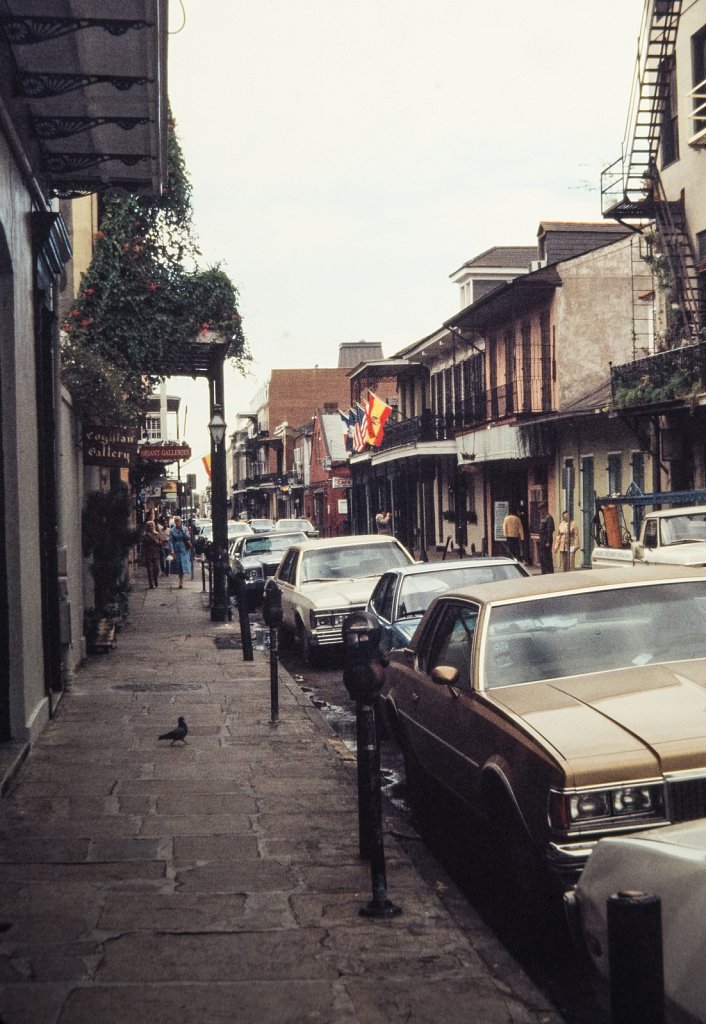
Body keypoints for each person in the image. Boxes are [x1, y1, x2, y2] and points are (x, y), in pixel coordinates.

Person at [169, 515, 192, 589]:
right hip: (177, 549)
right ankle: (180, 579)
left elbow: (188, 538)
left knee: (183, 565)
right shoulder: (172, 530)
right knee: (179, 565)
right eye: (176, 521)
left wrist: (183, 531)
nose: (177, 523)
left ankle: (181, 581)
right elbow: (171, 541)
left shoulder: (185, 529)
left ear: (181, 522)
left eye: (178, 521)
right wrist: (172, 550)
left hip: (184, 549)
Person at [141, 520, 163, 589]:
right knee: (149, 570)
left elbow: (161, 543)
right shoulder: (145, 536)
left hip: (156, 554)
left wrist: (158, 542)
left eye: (152, 525)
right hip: (148, 554)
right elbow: (143, 546)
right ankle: (151, 584)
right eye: (150, 526)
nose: (151, 527)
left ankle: (155, 579)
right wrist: (143, 555)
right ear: (148, 527)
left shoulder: (157, 534)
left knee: (156, 568)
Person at [537, 501, 555, 574]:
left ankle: (549, 571)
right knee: (542, 556)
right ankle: (544, 571)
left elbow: (550, 530)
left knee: (547, 556)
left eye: (540, 509)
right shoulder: (543, 517)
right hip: (542, 538)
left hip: (546, 538)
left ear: (544, 509)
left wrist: (548, 541)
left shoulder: (549, 518)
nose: (540, 511)